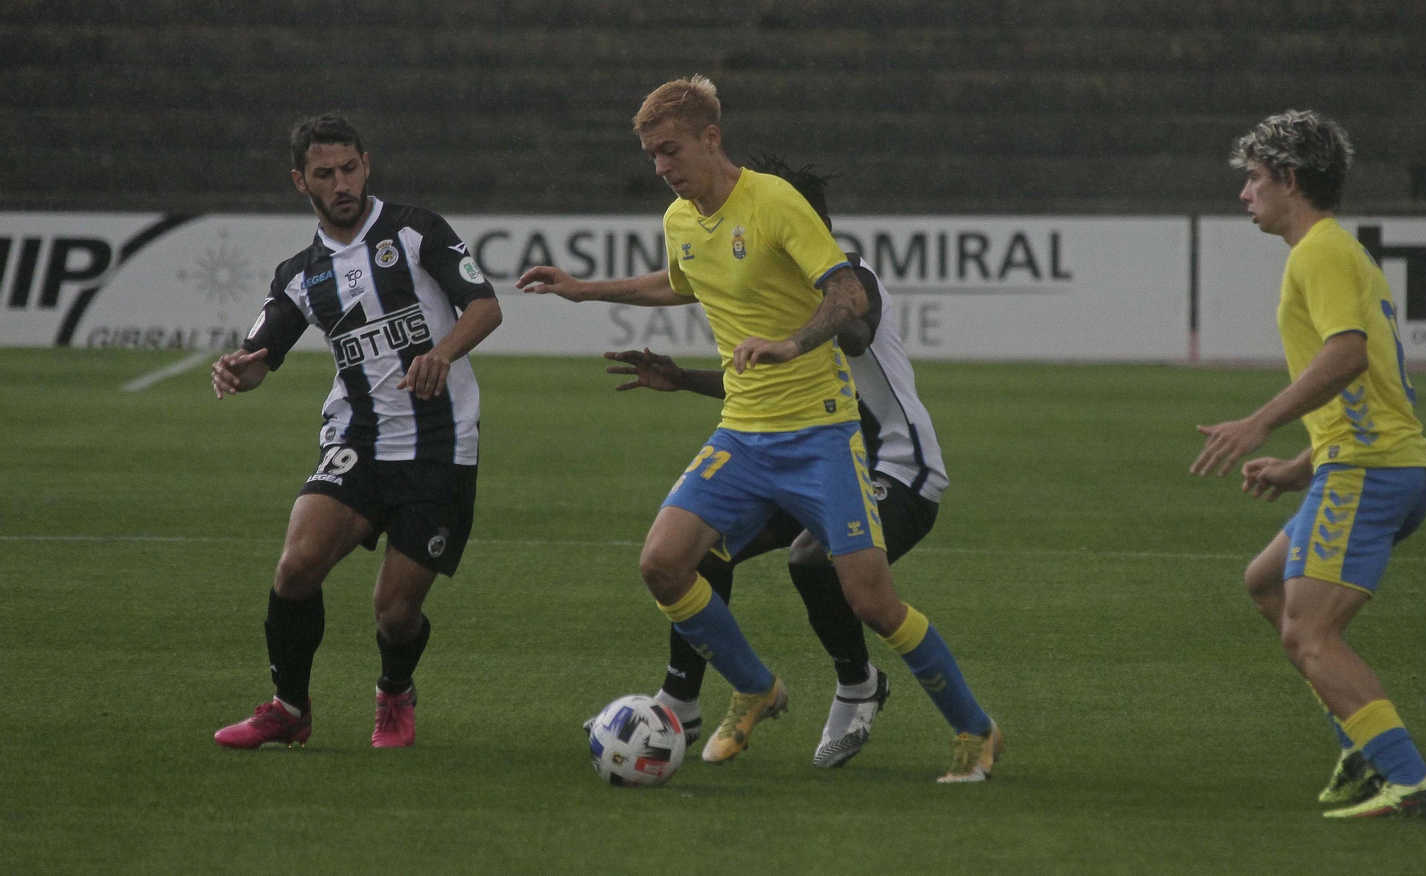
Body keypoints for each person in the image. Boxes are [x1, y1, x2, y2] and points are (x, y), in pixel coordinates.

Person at [519, 76, 999, 782]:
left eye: (671, 150)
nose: (662, 167)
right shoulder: (681, 218)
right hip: (742, 437)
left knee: (870, 600)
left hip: (822, 438)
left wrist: (791, 344)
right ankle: (756, 686)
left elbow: (848, 293)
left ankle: (975, 729)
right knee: (664, 562)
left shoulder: (776, 202)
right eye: (652, 155)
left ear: (711, 138)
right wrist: (584, 289)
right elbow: (679, 283)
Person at [596, 155, 950, 769]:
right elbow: (761, 382)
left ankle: (858, 681)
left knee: (813, 559)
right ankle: (682, 698)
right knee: (702, 548)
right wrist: (682, 379)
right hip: (806, 459)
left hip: (895, 466)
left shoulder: (849, 276)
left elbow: (857, 334)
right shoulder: (765, 271)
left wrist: (814, 314)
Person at [209, 114, 502, 750]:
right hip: (358, 440)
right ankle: (290, 708)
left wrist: (443, 352)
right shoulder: (298, 273)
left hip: (439, 447)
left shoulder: (417, 230)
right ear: (300, 181)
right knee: (296, 568)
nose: (340, 183)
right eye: (324, 173)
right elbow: (264, 354)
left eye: (349, 168)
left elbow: (485, 306)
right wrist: (242, 369)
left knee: (394, 615)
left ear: (366, 164)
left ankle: (394, 691)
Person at [1192, 110, 1426, 819]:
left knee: (1310, 633)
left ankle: (1412, 783)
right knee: (1265, 582)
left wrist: (1259, 423)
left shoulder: (1319, 253)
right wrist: (1301, 464)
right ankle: (1364, 751)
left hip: (1371, 470)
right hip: (1370, 460)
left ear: (1291, 179)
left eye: (1253, 178)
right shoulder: (1337, 251)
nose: (1245, 194)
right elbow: (1369, 385)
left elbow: (1347, 356)